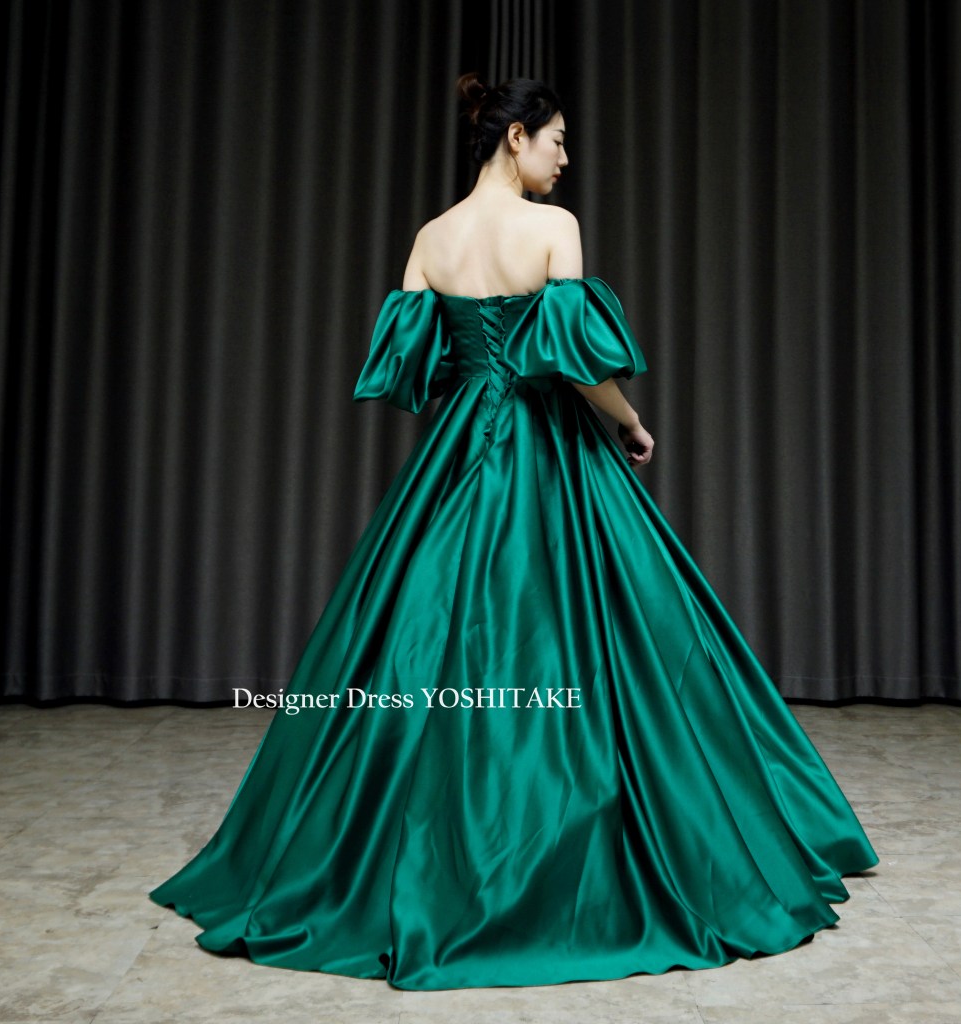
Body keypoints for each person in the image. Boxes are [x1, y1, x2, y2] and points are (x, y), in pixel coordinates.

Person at [150, 73, 878, 991]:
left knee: (422, 640)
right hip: (546, 447)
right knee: (605, 640)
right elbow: (572, 363)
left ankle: (410, 858)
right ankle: (591, 857)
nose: (566, 158)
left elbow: (415, 365)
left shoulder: (431, 238)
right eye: (558, 140)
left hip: (458, 455)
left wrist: (479, 383)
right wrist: (630, 421)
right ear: (516, 137)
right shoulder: (553, 229)